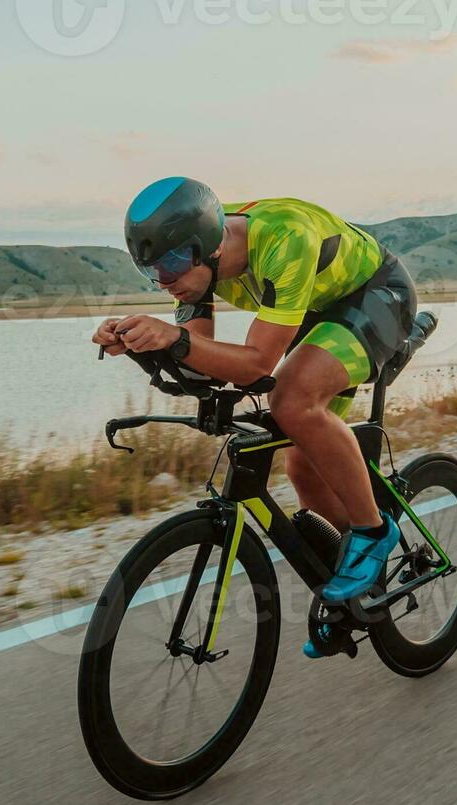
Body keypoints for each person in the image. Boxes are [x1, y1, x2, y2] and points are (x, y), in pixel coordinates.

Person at [92, 176, 418, 657]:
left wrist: (174, 338)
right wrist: (143, 345)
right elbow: (200, 362)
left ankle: (373, 532)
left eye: (173, 264)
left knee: (291, 401)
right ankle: (359, 591)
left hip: (375, 296)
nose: (165, 280)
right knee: (303, 463)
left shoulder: (284, 240)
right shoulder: (188, 259)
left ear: (210, 246)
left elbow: (255, 363)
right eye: (151, 271)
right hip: (313, 310)